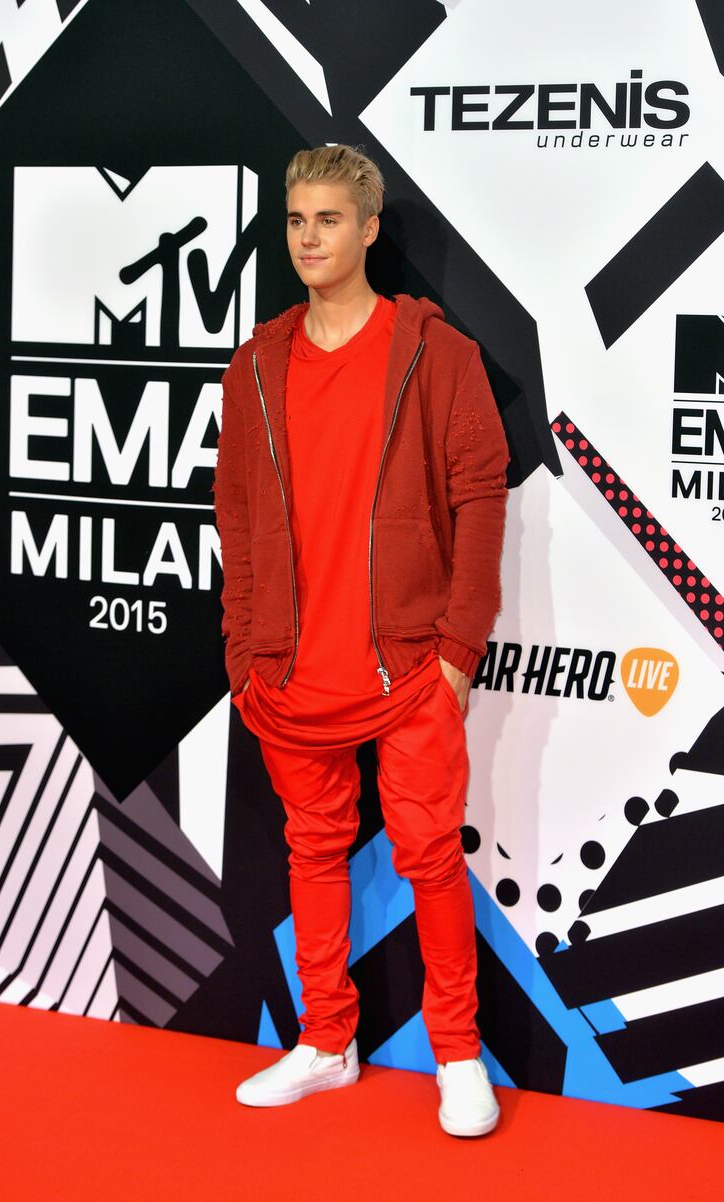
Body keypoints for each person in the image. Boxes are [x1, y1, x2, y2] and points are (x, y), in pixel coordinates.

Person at [212, 144, 509, 1137]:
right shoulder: (254, 364)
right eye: (295, 219)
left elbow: (477, 499)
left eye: (327, 219)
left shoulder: (436, 353)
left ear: (370, 228)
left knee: (428, 850)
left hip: (408, 663)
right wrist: (243, 652)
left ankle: (456, 1051)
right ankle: (325, 1041)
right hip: (290, 670)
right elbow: (238, 514)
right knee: (311, 848)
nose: (307, 237)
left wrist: (460, 647)